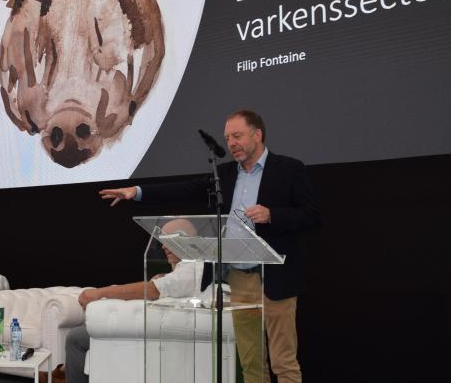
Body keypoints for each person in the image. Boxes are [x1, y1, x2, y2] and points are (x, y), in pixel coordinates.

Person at [99, 110, 320, 383]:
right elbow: (185, 189)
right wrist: (138, 192)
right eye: (228, 138)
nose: (231, 143)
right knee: (251, 362)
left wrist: (272, 214)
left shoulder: (288, 169)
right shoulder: (225, 174)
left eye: (237, 136)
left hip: (276, 277)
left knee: (283, 362)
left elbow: (311, 216)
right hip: (239, 279)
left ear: (257, 134)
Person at [64, 219, 206, 383]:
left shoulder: (192, 268)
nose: (163, 247)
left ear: (187, 241)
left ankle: (62, 372)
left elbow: (152, 289)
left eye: (169, 241)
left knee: (75, 337)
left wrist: (99, 293)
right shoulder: (190, 269)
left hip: (153, 332)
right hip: (153, 330)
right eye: (162, 242)